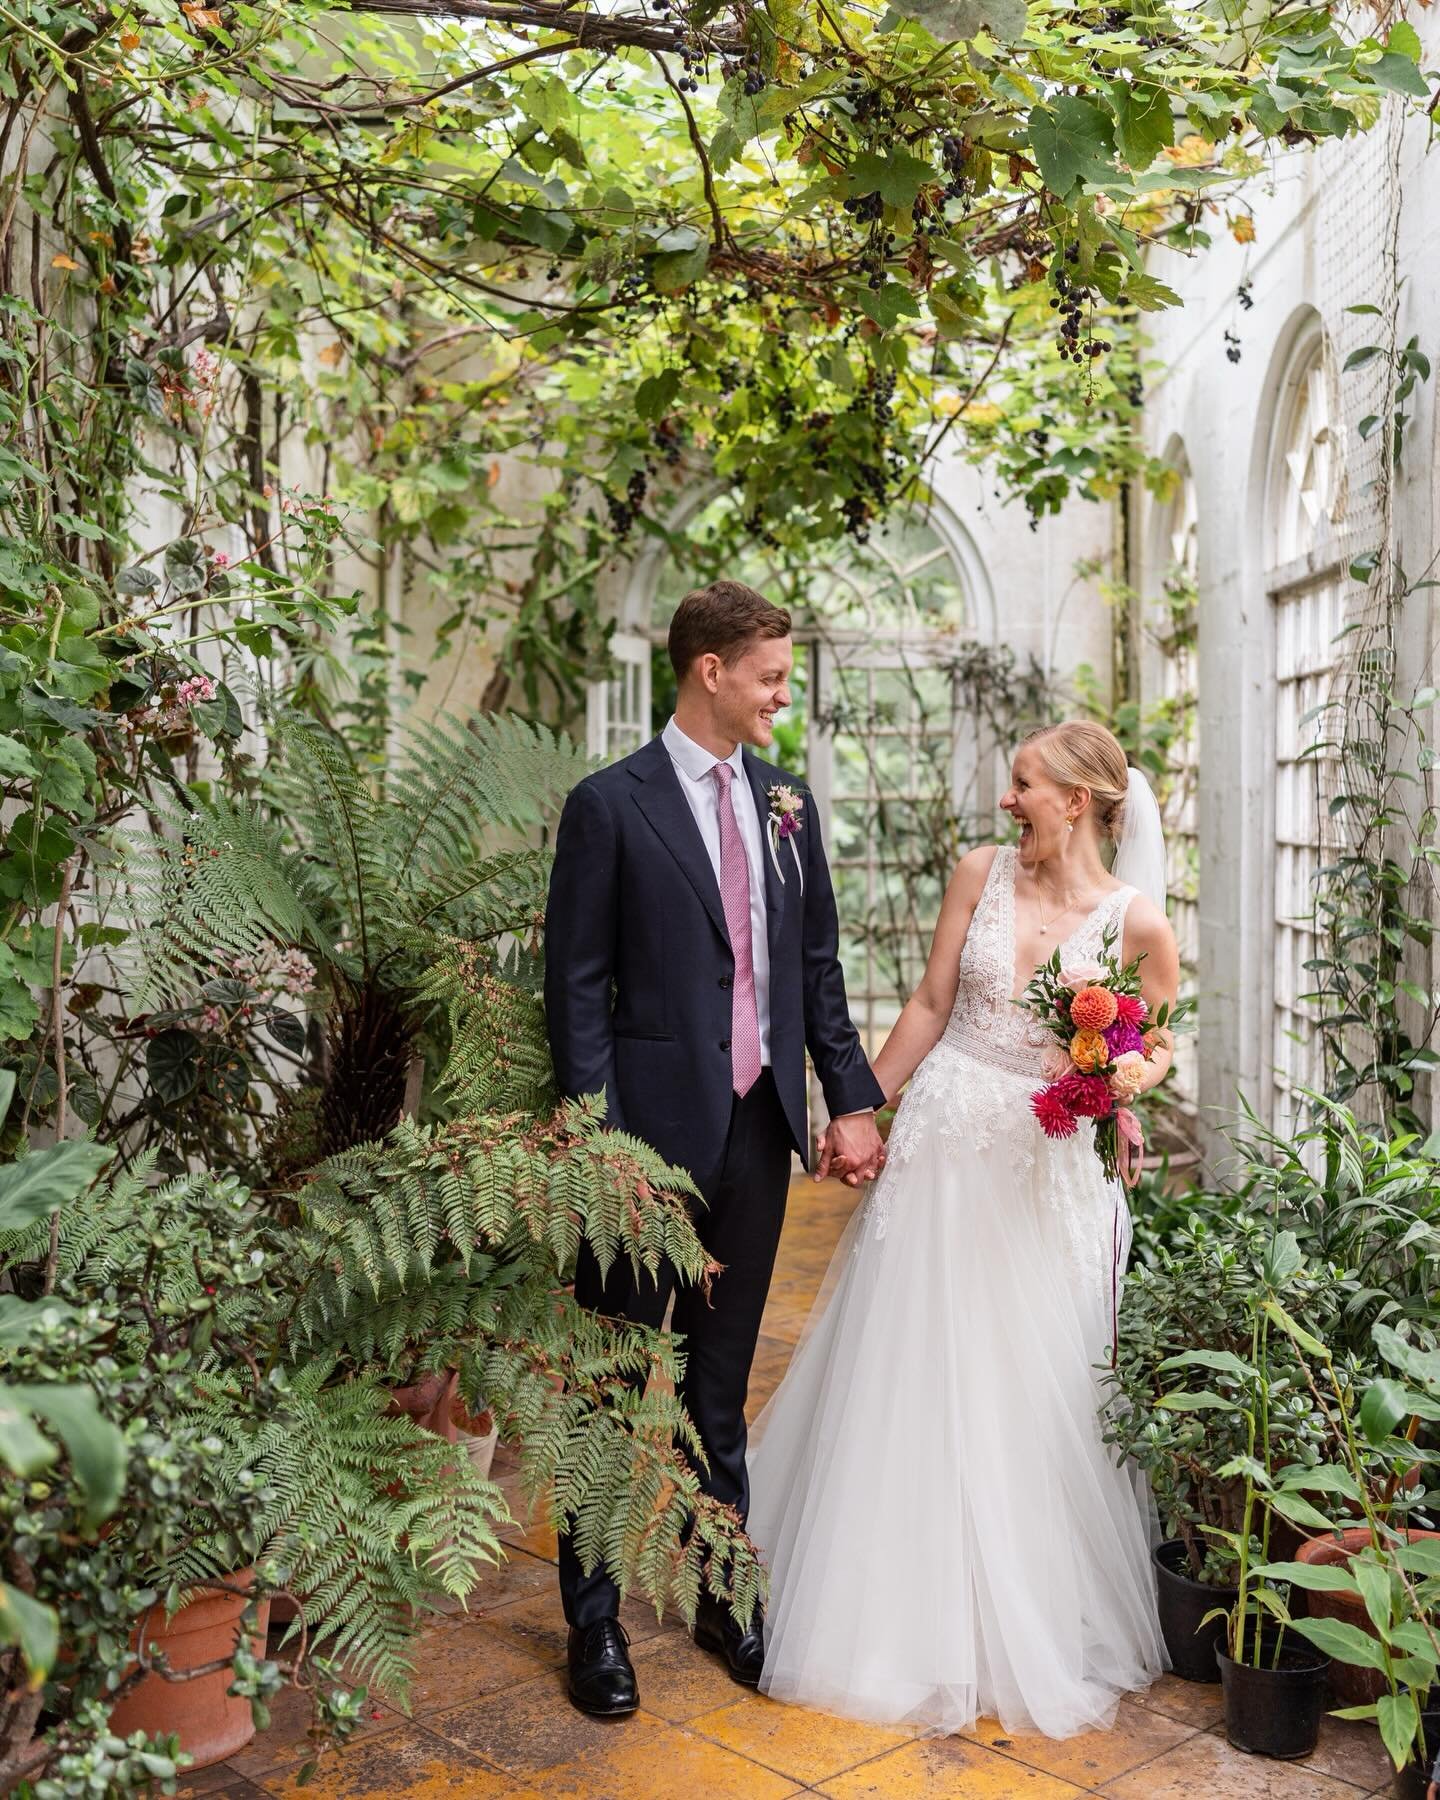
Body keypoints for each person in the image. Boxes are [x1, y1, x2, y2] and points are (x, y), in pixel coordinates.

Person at [746, 719, 1177, 1738]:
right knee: (919, 1363)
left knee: (1030, 1379)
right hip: (944, 1149)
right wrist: (857, 1110)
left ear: (1075, 800)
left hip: (1043, 1168)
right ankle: (894, 1602)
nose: (1006, 800)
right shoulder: (979, 873)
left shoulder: (1137, 922)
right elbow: (933, 1004)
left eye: (1023, 784)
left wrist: (1126, 1078)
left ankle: (1021, 1616)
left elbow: (1158, 1040)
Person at [543, 579, 887, 1718]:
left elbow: (816, 969)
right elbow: (576, 987)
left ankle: (719, 1591)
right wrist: (595, 1140)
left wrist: (850, 1099)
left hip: (758, 1129)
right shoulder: (610, 805)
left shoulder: (788, 802)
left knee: (720, 1384)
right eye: (771, 676)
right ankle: (594, 1622)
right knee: (610, 1384)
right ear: (712, 672)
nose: (783, 695)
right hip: (641, 1148)